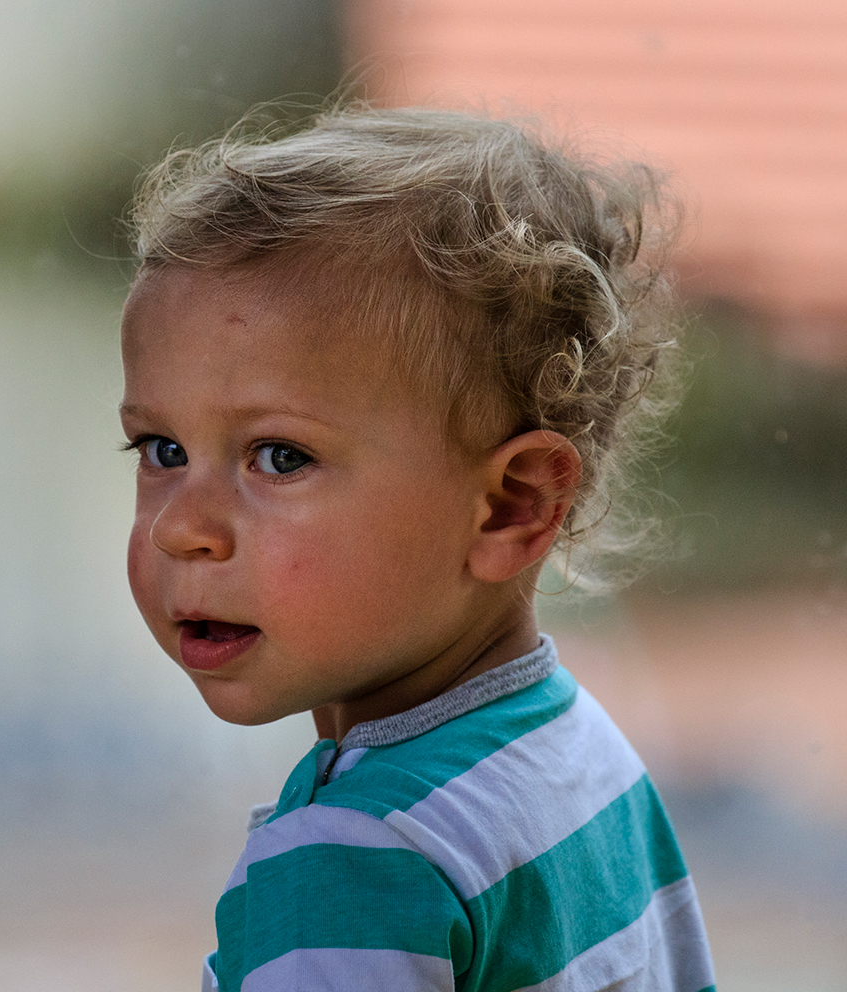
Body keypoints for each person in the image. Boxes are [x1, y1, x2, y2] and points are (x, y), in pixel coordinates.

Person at [117, 104, 715, 992]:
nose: (179, 527)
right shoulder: (580, 755)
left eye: (279, 457)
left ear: (510, 506)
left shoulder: (352, 860)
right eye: (163, 451)